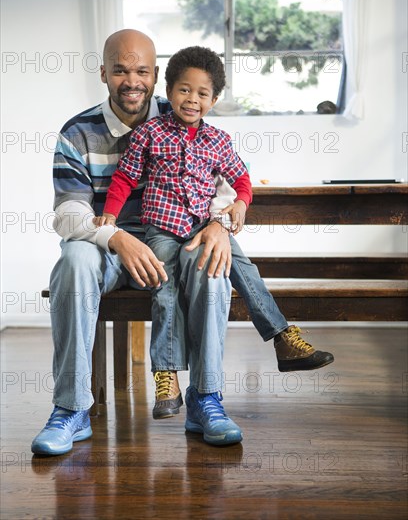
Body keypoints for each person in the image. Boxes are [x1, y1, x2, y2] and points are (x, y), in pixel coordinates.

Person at [31, 29, 333, 456]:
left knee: (214, 265)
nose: (131, 80)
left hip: (178, 238)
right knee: (73, 261)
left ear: (156, 76)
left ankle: (206, 399)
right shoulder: (77, 133)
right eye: (120, 70)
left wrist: (220, 226)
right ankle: (71, 409)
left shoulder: (181, 110)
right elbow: (68, 215)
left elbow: (227, 178)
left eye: (140, 71)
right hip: (107, 247)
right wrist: (117, 236)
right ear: (103, 73)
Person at [95, 45, 253, 436]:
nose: (192, 99)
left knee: (217, 275)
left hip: (204, 231)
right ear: (169, 90)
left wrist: (235, 210)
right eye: (184, 91)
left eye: (202, 94)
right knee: (165, 286)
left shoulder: (215, 139)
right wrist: (111, 217)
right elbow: (125, 179)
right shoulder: (155, 131)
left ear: (214, 100)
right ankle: (168, 379)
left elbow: (236, 181)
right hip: (161, 234)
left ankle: (208, 396)